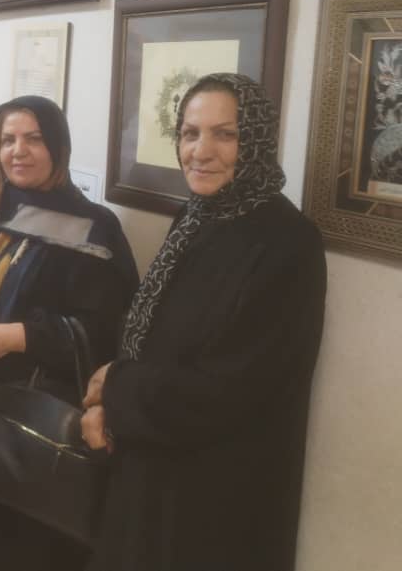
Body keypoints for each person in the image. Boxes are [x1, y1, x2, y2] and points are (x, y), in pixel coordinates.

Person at [81, 73, 326, 571]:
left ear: (255, 141)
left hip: (217, 497)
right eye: (190, 133)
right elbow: (156, 339)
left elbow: (232, 389)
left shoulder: (287, 244)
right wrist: (113, 403)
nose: (201, 151)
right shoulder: (196, 216)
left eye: (225, 134)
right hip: (152, 464)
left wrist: (115, 388)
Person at [0, 95, 138, 570]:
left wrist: (18, 336)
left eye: (33, 139)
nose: (18, 151)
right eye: (8, 140)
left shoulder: (94, 230)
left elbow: (105, 333)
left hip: (33, 429)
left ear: (58, 147)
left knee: (21, 549)